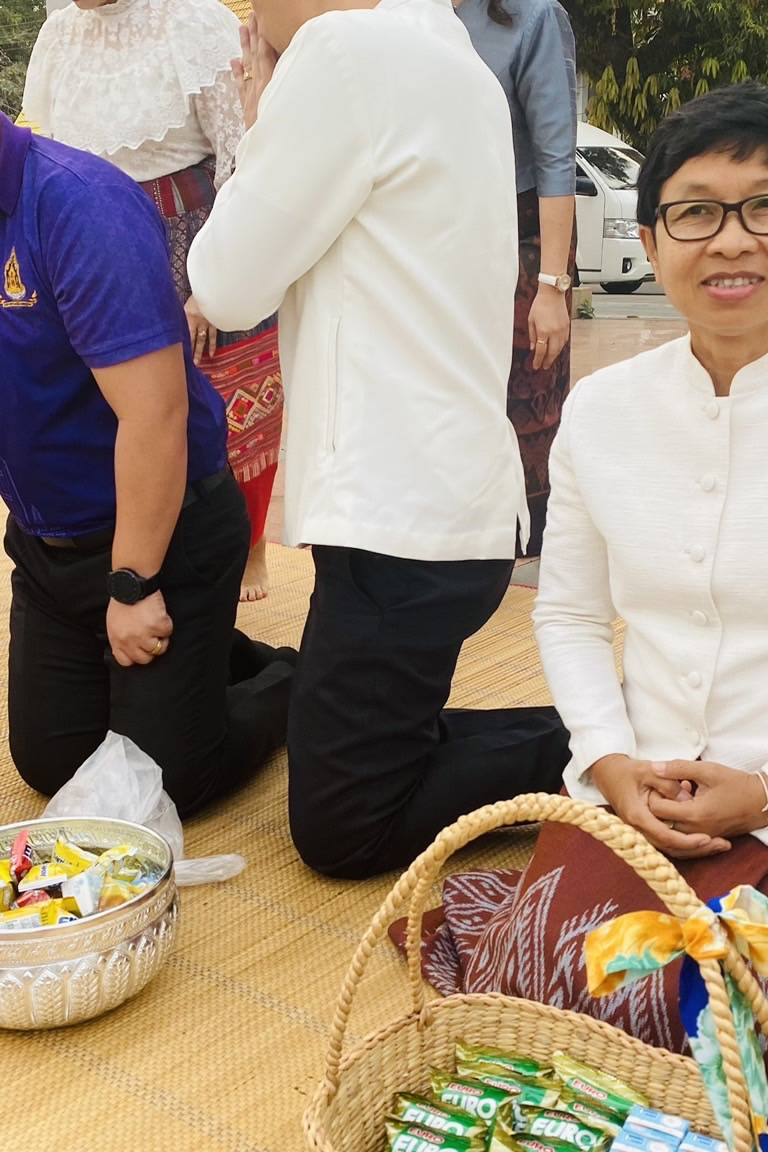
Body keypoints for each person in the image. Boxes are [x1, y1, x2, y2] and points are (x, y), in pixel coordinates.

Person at [419, 84, 768, 1095]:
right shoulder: (604, 413)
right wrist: (610, 760)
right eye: (695, 210)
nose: (731, 241)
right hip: (652, 777)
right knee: (548, 985)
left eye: (767, 206)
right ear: (650, 234)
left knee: (700, 1023)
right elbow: (575, 615)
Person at [188, 0, 570, 880]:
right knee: (360, 745)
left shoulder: (346, 51)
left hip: (399, 525)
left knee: (343, 831)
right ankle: (591, 734)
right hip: (437, 502)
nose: (249, 16)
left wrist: (257, 121)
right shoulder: (456, 59)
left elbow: (227, 284)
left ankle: (595, 749)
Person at [0, 112, 294, 814]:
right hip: (49, 549)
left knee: (162, 783)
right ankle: (214, 655)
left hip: (165, 534)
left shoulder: (76, 203)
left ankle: (293, 680)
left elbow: (156, 416)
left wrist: (132, 586)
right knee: (52, 762)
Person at [23, 0, 285, 600]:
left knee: (224, 401)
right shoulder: (59, 33)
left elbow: (242, 154)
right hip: (90, 244)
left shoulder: (196, 20)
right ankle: (138, 555)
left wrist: (208, 286)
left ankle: (248, 550)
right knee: (116, 406)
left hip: (190, 232)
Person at [454, 0, 578, 555]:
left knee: (527, 399)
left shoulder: (532, 17)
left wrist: (551, 287)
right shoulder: (400, 15)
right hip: (440, 238)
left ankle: (527, 550)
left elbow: (556, 161)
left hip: (524, 236)